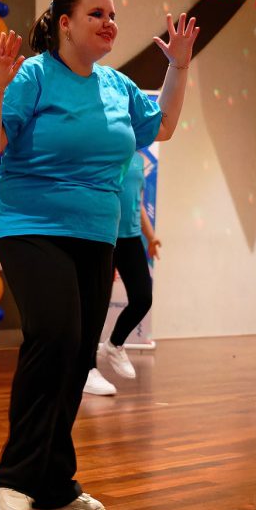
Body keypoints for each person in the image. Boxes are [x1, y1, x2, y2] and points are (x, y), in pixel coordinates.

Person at [0, 0, 198, 510]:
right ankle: (15, 475)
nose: (109, 22)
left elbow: (163, 126)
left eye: (113, 14)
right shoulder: (34, 75)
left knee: (77, 356)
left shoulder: (117, 85)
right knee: (55, 335)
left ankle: (53, 483)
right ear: (65, 24)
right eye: (96, 13)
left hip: (95, 231)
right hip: (29, 221)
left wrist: (179, 67)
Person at [84, 153, 160, 396]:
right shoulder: (106, 149)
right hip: (103, 236)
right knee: (95, 306)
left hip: (131, 238)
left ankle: (114, 344)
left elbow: (137, 202)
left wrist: (151, 237)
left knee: (143, 298)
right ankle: (87, 369)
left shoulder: (138, 159)